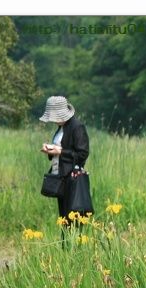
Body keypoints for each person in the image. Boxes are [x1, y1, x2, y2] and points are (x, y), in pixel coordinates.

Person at [39, 96, 90, 228]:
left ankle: (73, 247)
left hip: (72, 178)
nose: (53, 121)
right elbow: (61, 150)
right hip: (61, 176)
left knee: (72, 219)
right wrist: (50, 150)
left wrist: (60, 151)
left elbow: (82, 154)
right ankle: (65, 247)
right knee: (64, 219)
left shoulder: (77, 127)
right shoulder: (61, 128)